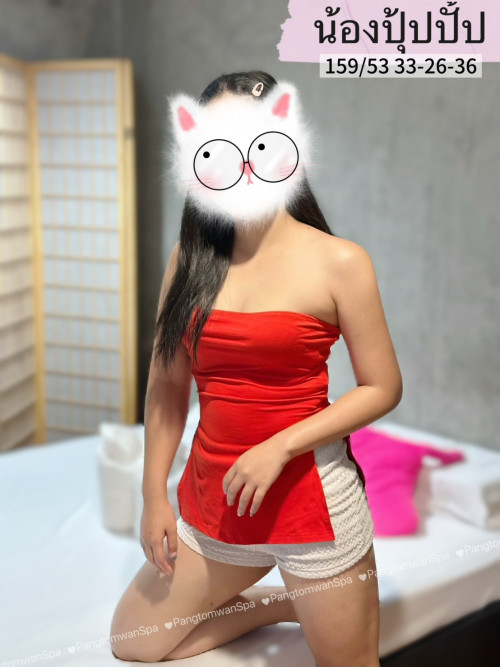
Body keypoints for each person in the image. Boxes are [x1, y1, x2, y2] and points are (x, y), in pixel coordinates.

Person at [110, 71, 402, 666]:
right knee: (133, 641)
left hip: (310, 500)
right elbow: (167, 385)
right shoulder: (189, 260)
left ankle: (302, 589)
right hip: (214, 498)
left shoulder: (340, 261)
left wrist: (280, 447)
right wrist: (152, 493)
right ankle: (278, 603)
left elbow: (382, 387)